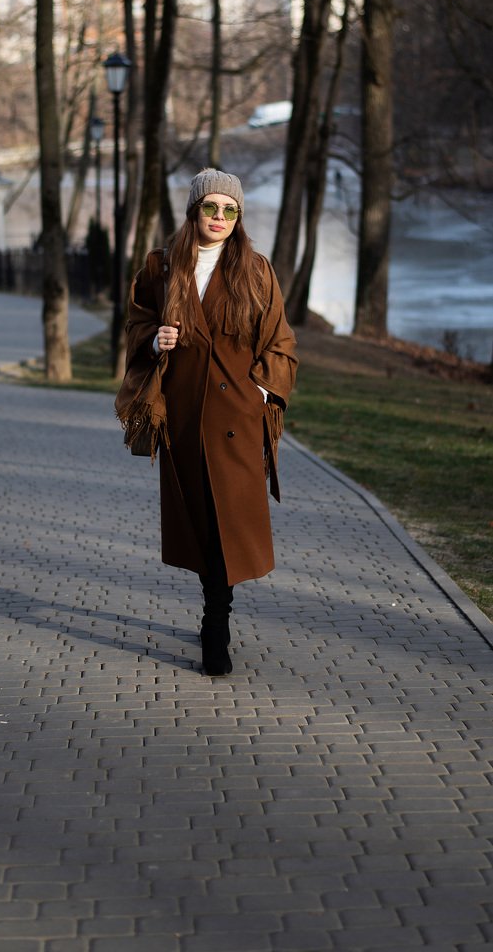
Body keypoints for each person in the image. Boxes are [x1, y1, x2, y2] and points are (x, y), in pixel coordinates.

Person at [117, 169, 298, 676]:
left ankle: (216, 623)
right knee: (200, 523)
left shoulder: (256, 270)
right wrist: (156, 340)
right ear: (193, 210)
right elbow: (135, 324)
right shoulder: (160, 266)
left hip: (237, 422)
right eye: (210, 208)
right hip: (182, 420)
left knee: (229, 529)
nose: (219, 218)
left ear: (239, 217)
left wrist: (257, 392)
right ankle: (212, 610)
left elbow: (281, 343)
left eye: (229, 210)